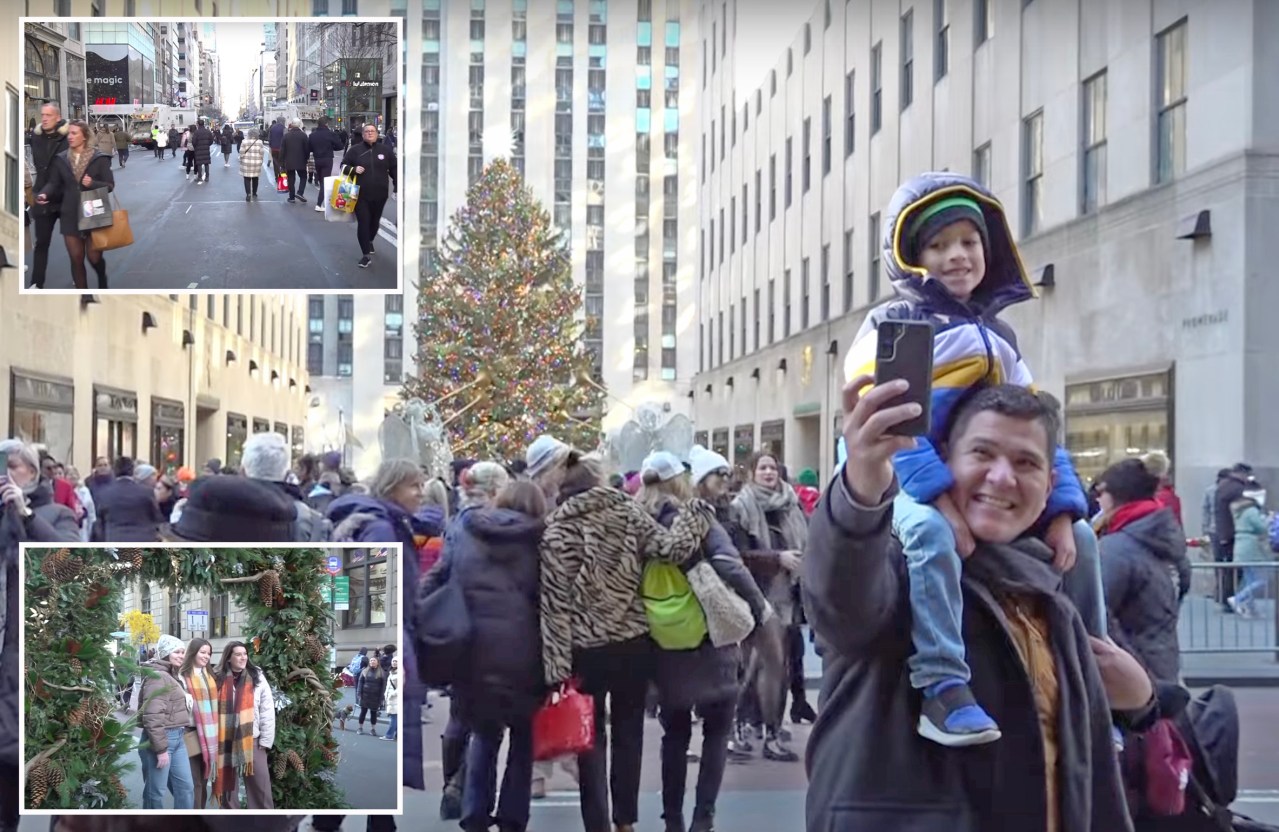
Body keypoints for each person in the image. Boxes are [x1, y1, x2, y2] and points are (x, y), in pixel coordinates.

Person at [804, 379, 1158, 832]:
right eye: (982, 454)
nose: (1002, 477)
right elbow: (840, 606)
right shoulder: (899, 567)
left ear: (1050, 485)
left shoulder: (1055, 592)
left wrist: (1142, 699)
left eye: (1025, 462)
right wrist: (861, 489)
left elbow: (1091, 760)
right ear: (945, 459)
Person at [839, 172, 1104, 747]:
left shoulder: (1001, 336)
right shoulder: (897, 325)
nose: (957, 255)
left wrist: (1062, 507)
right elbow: (892, 429)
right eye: (938, 245)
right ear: (911, 258)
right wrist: (942, 503)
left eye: (969, 241)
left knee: (1083, 541)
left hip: (973, 476)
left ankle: (1093, 668)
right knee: (932, 538)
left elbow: (1036, 430)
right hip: (899, 474)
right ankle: (942, 685)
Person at [539, 451, 713, 832]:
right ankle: (625, 821)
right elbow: (670, 550)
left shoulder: (557, 529)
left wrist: (555, 669)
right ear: (600, 481)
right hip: (632, 641)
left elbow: (553, 605)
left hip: (584, 649)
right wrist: (697, 513)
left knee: (590, 740)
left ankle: (597, 823)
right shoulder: (627, 512)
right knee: (629, 733)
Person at [639, 452, 769, 832]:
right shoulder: (696, 518)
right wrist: (759, 608)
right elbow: (729, 564)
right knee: (716, 731)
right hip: (708, 635)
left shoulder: (636, 522)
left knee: (674, 733)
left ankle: (673, 820)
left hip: (662, 643)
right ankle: (703, 817)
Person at [422, 480, 547, 832]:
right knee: (523, 737)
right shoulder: (541, 539)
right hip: (525, 654)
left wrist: (418, 615)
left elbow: (440, 577)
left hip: (473, 650)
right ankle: (513, 817)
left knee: (484, 733)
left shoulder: (468, 530)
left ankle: (474, 812)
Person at [728, 450, 810, 761]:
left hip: (788, 594)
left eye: (772, 468)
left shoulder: (791, 503)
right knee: (766, 664)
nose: (768, 473)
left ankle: (758, 730)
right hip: (756, 596)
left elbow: (807, 540)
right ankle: (754, 731)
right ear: (751, 473)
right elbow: (737, 556)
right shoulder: (741, 507)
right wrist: (777, 558)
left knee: (772, 665)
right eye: (762, 468)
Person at [1093, 458, 1190, 683]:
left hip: (1132, 671)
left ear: (1115, 495)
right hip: (1164, 660)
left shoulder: (1115, 549)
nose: (1098, 498)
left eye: (1102, 491)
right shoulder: (1168, 539)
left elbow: (1097, 612)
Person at [33, 119, 114, 290]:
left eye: (74, 133)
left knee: (94, 258)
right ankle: (83, 295)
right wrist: (44, 193)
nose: (69, 137)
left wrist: (92, 183)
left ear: (84, 136)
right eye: (69, 133)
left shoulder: (99, 158)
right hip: (70, 213)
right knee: (76, 258)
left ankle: (102, 278)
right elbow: (54, 183)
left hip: (93, 212)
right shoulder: (61, 159)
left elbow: (110, 185)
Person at [214, 641, 275, 809]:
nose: (243, 658)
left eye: (245, 654)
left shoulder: (257, 677)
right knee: (227, 787)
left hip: (251, 738)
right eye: (238, 654)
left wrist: (266, 740)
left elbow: (267, 709)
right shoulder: (217, 677)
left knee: (260, 786)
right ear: (228, 658)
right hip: (225, 740)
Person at [138, 634, 196, 809]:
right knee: (155, 793)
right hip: (161, 741)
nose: (181, 655)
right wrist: (161, 749)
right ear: (165, 654)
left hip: (178, 738)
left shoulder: (171, 675)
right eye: (176, 652)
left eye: (182, 652)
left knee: (186, 788)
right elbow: (152, 715)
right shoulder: (158, 676)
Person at [340, 123, 397, 269]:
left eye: (372, 131)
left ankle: (370, 240)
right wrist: (353, 169)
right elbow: (343, 166)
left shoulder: (385, 150)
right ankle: (366, 255)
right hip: (360, 194)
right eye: (367, 131)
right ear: (363, 134)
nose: (370, 133)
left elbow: (394, 169)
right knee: (363, 223)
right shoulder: (355, 150)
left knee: (374, 222)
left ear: (377, 134)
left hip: (380, 194)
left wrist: (398, 187)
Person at [27, 103, 70, 290]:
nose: (44, 118)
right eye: (42, 114)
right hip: (43, 197)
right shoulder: (36, 138)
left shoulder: (69, 136)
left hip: (66, 196)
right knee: (42, 243)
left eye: (48, 115)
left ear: (58, 117)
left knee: (73, 242)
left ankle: (79, 277)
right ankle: (37, 283)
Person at [179, 638, 219, 809]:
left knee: (203, 780)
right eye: (202, 652)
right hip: (189, 732)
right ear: (193, 652)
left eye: (209, 653)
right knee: (194, 781)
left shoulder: (209, 676)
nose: (206, 656)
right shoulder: (181, 675)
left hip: (210, 735)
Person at [1227, 482, 1273, 617]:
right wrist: (1268, 520)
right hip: (1250, 547)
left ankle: (1250, 607)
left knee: (1250, 578)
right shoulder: (1252, 511)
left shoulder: (1242, 510)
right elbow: (1261, 527)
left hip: (1243, 546)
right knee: (1260, 579)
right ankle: (1239, 598)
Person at [93, 457, 165, 542]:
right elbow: (156, 516)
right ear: (132, 471)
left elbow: (100, 521)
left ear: (115, 471)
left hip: (115, 538)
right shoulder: (146, 492)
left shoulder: (105, 493)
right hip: (143, 539)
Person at [1212, 463, 1253, 610]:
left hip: (1224, 532)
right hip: (1232, 533)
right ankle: (1229, 599)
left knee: (1229, 569)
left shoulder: (1224, 486)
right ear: (1242, 473)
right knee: (1235, 570)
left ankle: (1225, 598)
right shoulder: (1237, 488)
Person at [280, 119, 310, 204]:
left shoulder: (286, 136)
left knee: (291, 179)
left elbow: (282, 150)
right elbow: (307, 149)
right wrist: (306, 158)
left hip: (289, 161)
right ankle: (300, 192)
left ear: (292, 125)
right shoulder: (303, 135)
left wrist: (281, 162)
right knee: (303, 177)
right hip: (301, 161)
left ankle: (291, 197)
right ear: (299, 125)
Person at [238, 128, 267, 202]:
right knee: (255, 178)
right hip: (256, 162)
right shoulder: (259, 142)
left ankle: (248, 194)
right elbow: (262, 153)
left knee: (247, 178)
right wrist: (260, 160)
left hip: (246, 163)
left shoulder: (244, 141)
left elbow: (241, 152)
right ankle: (254, 192)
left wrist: (241, 158)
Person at [190, 119, 214, 185]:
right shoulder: (208, 131)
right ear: (203, 124)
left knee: (199, 164)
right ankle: (207, 177)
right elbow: (211, 140)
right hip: (206, 149)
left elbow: (193, 141)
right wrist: (207, 144)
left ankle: (200, 177)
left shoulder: (196, 132)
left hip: (198, 149)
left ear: (198, 124)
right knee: (206, 163)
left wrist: (196, 147)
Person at [382, 656, 400, 741]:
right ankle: (398, 735)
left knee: (394, 718)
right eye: (393, 661)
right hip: (390, 699)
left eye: (396, 661)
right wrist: (386, 694)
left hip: (395, 699)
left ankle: (389, 735)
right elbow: (388, 686)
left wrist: (392, 694)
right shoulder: (392, 672)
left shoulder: (399, 674)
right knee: (396, 718)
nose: (394, 663)